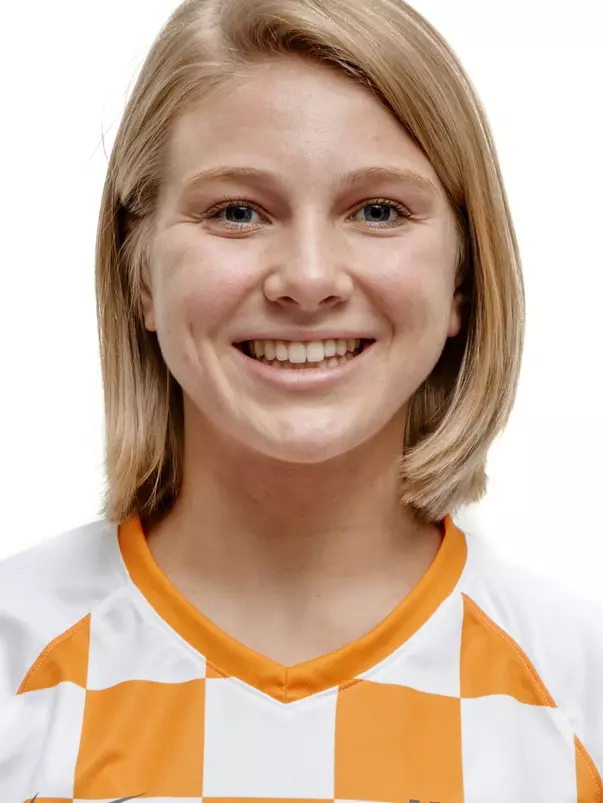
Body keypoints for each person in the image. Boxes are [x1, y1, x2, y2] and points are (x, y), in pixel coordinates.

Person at [1, 0, 602, 800]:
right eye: (237, 212)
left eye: (377, 211)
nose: (309, 279)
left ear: (462, 276)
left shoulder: (576, 689)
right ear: (139, 274)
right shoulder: (17, 663)